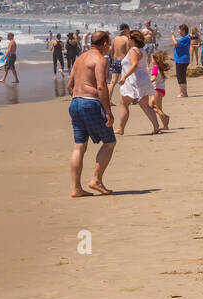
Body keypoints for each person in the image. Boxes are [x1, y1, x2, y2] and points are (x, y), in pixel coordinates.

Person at [67, 30, 115, 197]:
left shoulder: (80, 58)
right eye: (109, 43)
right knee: (109, 142)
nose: (109, 47)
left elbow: (69, 85)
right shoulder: (100, 59)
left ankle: (76, 188)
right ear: (104, 44)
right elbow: (101, 86)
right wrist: (108, 111)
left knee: (79, 146)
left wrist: (78, 99)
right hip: (91, 103)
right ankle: (96, 179)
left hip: (75, 103)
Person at [115, 30, 162, 136]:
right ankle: (156, 126)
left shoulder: (133, 51)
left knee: (124, 104)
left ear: (132, 40)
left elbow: (134, 64)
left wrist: (124, 77)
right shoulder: (142, 50)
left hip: (133, 81)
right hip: (143, 80)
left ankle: (120, 129)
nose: (127, 40)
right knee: (145, 105)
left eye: (129, 38)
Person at [150, 50, 171, 129]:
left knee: (159, 109)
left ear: (155, 60)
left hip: (157, 90)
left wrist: (146, 83)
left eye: (152, 59)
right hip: (161, 90)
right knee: (150, 105)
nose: (151, 60)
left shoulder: (155, 68)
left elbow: (153, 78)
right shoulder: (159, 67)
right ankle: (165, 117)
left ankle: (165, 125)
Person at [170, 24, 192, 97]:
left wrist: (172, 35)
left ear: (183, 31)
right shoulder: (186, 38)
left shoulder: (186, 38)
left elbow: (176, 43)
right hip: (181, 59)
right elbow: (179, 44)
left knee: (180, 76)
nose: (179, 31)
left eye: (180, 30)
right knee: (181, 76)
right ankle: (184, 92)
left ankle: (183, 93)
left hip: (182, 60)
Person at [108, 24, 131, 89]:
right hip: (123, 61)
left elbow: (111, 50)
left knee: (112, 82)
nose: (129, 30)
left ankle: (108, 98)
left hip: (115, 60)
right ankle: (124, 99)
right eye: (128, 29)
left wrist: (112, 59)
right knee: (125, 82)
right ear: (125, 30)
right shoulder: (127, 39)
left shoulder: (115, 38)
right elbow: (128, 52)